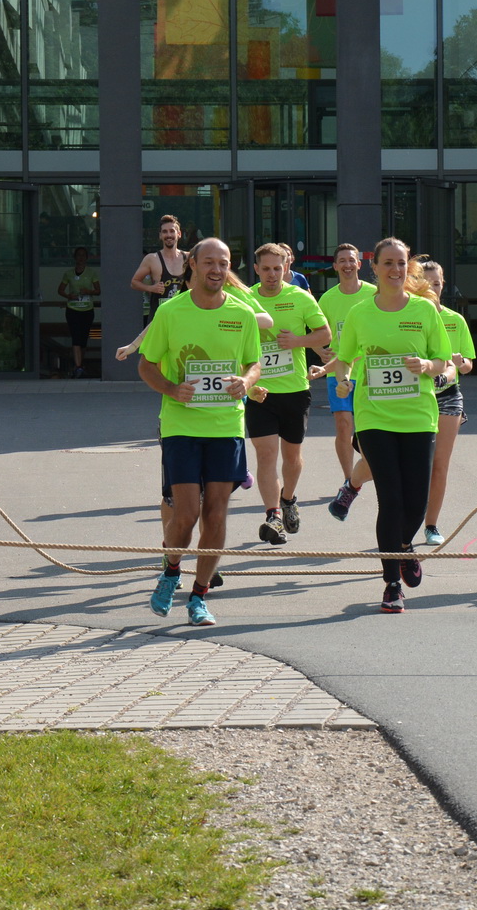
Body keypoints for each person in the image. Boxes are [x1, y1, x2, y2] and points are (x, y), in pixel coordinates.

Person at [322, 237, 452, 613]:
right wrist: (343, 380)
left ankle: (404, 546)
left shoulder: (425, 310)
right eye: (388, 263)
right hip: (374, 417)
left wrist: (426, 366)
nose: (395, 270)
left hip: (418, 417)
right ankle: (392, 583)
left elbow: (443, 360)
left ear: (408, 268)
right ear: (375, 267)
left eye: (401, 263)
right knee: (390, 499)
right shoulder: (361, 313)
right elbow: (345, 358)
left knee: (416, 502)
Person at [138, 237, 262, 627]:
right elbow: (146, 365)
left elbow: (254, 363)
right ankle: (171, 570)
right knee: (187, 512)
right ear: (192, 264)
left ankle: (199, 596)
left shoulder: (242, 314)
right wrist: (172, 389)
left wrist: (245, 381)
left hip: (226, 426)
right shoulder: (171, 312)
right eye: (209, 262)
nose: (217, 270)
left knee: (216, 513)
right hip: (182, 426)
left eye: (223, 263)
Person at [247, 243, 330, 546]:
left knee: (292, 457)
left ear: (286, 268)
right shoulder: (245, 298)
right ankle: (273, 516)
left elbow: (324, 334)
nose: (272, 274)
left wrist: (297, 340)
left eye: (277, 268)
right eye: (266, 269)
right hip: (260, 393)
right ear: (256, 269)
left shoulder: (300, 297)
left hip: (295, 390)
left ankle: (288, 498)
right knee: (266, 455)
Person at [314, 243, 376, 518]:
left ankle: (361, 475)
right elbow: (318, 332)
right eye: (342, 261)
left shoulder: (373, 294)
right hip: (338, 371)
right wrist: (321, 352)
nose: (348, 265)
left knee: (368, 429)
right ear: (335, 266)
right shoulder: (327, 299)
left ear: (359, 264)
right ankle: (348, 481)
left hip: (370, 374)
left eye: (352, 260)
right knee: (343, 426)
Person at [418, 257, 475, 547]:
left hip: (449, 396)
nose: (433, 289)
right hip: (415, 396)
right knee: (416, 464)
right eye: (426, 284)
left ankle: (431, 525)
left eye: (437, 284)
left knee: (440, 464)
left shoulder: (455, 320)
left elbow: (468, 365)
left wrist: (460, 362)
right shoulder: (411, 317)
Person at [131, 214, 189, 324]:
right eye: (165, 232)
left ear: (179, 234)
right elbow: (134, 282)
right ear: (160, 235)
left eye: (172, 231)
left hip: (182, 319)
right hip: (159, 320)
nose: (168, 235)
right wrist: (151, 288)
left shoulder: (188, 258)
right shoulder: (152, 259)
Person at [58, 246, 100, 379]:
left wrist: (88, 292)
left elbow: (98, 291)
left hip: (87, 310)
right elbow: (60, 290)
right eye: (78, 255)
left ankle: (80, 364)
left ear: (86, 258)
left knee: (83, 339)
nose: (81, 258)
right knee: (75, 337)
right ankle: (78, 367)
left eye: (83, 255)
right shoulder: (68, 274)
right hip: (73, 309)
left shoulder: (92, 273)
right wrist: (68, 296)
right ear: (75, 258)